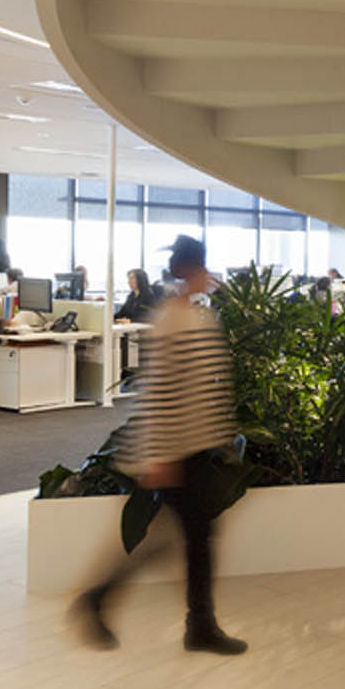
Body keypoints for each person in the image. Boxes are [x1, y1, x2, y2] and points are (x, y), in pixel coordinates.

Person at [74, 234, 246, 655]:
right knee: (195, 539)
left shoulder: (195, 315)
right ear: (190, 271)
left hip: (196, 445)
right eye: (201, 269)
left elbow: (206, 384)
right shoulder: (173, 320)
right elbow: (161, 392)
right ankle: (195, 626)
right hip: (177, 450)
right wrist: (159, 455)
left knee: (182, 538)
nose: (207, 277)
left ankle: (106, 600)